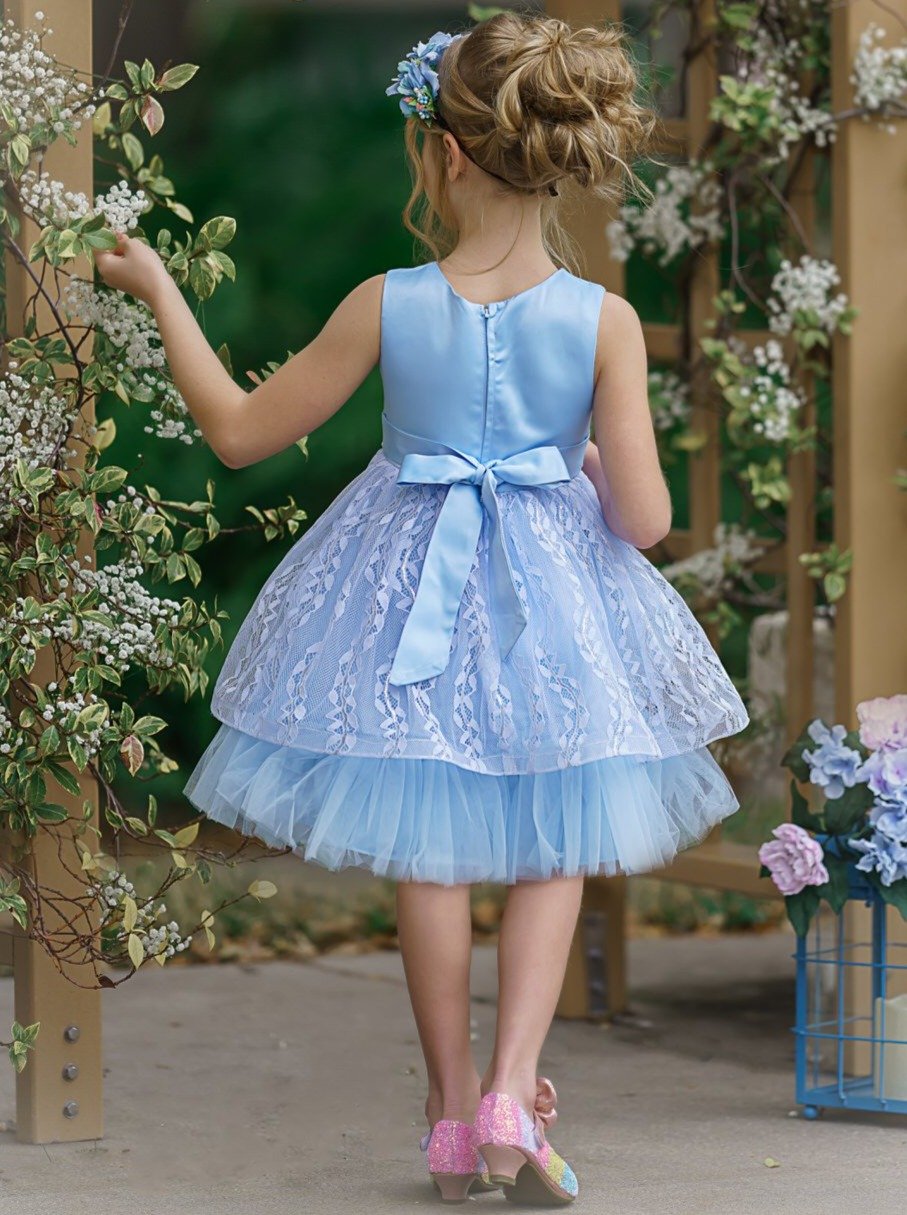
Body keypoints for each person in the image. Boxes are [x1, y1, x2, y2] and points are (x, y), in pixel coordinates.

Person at [94, 11, 749, 1206]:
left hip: (402, 600)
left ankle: (450, 1117)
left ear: (444, 153)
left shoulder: (387, 303)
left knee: (426, 850)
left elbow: (236, 433)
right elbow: (646, 522)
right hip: (555, 608)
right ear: (554, 158)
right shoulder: (601, 320)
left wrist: (157, 287)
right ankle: (510, 1096)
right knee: (557, 835)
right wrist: (585, 467)